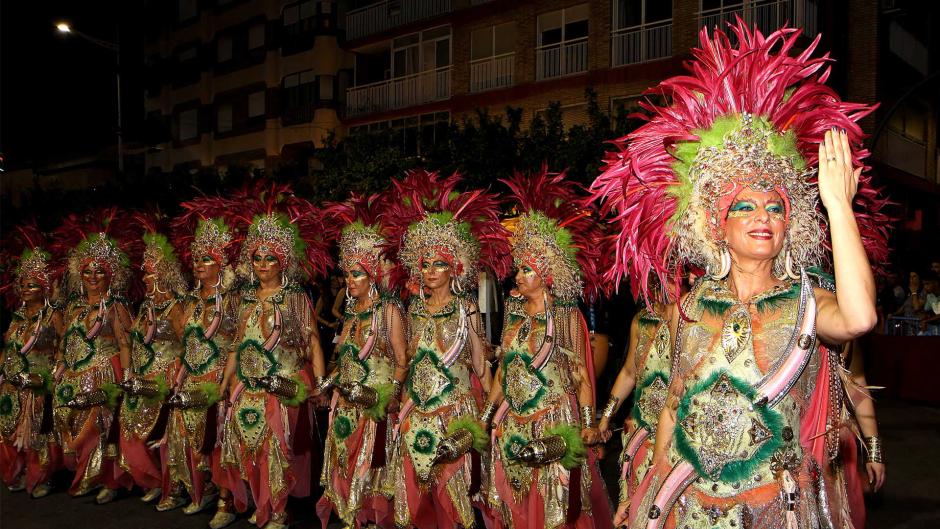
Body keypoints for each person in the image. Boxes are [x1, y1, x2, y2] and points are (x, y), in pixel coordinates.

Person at [591, 22, 891, 529]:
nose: (762, 217)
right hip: (689, 505)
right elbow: (674, 406)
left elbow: (860, 319)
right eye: (744, 206)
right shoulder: (689, 308)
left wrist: (837, 204)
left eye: (776, 208)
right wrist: (648, 496)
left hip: (772, 509)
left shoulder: (806, 304)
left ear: (790, 225)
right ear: (717, 226)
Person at [481, 169, 612, 529]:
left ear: (547, 275)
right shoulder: (513, 312)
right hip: (513, 422)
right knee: (516, 504)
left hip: (553, 422)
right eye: (518, 269)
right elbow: (505, 370)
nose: (518, 276)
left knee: (553, 507)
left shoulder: (567, 316)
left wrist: (588, 425)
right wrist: (487, 413)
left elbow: (582, 376)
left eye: (526, 270)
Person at [384, 170, 510, 529]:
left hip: (453, 411)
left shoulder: (465, 307)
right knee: (416, 491)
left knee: (452, 493)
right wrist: (398, 394)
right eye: (424, 264)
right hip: (417, 409)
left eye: (438, 264)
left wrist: (491, 411)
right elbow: (411, 359)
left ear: (454, 268)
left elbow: (479, 362)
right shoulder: (414, 308)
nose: (429, 271)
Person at [215, 200, 328, 529]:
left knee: (275, 449)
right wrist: (225, 382)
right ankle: (262, 501)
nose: (263, 264)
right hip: (247, 387)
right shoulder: (245, 297)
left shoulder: (295, 297)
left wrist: (320, 385)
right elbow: (237, 343)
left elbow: (313, 343)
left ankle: (278, 510)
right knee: (248, 448)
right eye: (257, 258)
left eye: (270, 258)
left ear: (283, 262)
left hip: (283, 384)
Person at [316, 195, 409, 528]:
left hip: (374, 405)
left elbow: (402, 360)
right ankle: (351, 517)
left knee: (369, 469)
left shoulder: (388, 311)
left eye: (356, 275)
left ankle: (368, 518)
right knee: (344, 463)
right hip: (346, 405)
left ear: (372, 276)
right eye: (347, 274)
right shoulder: (353, 312)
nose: (349, 281)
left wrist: (392, 395)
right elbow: (345, 358)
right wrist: (327, 383)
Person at [52, 214, 136, 504]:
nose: (92, 276)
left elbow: (125, 343)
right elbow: (65, 341)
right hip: (74, 375)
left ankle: (108, 480)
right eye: (87, 271)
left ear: (110, 276)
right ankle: (86, 475)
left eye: (99, 272)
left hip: (104, 372)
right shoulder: (74, 306)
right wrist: (60, 365)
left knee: (102, 427)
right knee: (72, 422)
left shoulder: (115, 306)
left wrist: (126, 377)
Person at [160, 216, 240, 517]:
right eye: (196, 259)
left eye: (206, 259)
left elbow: (238, 343)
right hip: (191, 378)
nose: (198, 265)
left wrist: (228, 380)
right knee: (187, 440)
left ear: (222, 264)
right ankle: (202, 490)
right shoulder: (191, 301)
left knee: (219, 442)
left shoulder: (233, 300)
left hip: (218, 378)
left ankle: (226, 500)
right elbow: (186, 342)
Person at [117, 229, 187, 502]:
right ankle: (154, 480)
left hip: (165, 378)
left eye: (149, 273)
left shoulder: (177, 308)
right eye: (144, 273)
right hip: (141, 378)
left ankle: (173, 487)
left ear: (163, 276)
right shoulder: (145, 308)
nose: (145, 279)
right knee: (131, 432)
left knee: (163, 435)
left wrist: (177, 377)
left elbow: (188, 345)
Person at [595, 302, 673, 527]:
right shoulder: (641, 319)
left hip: (674, 442)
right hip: (641, 438)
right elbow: (629, 372)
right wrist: (605, 419)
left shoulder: (695, 315)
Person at [0, 229, 64, 498]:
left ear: (45, 289)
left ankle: (41, 477)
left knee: (37, 433)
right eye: (23, 285)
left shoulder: (52, 316)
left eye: (32, 286)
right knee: (7, 430)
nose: (25, 290)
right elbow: (8, 348)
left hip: (38, 384)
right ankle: (16, 471)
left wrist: (52, 377)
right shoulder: (16, 317)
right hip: (11, 385)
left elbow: (63, 348)